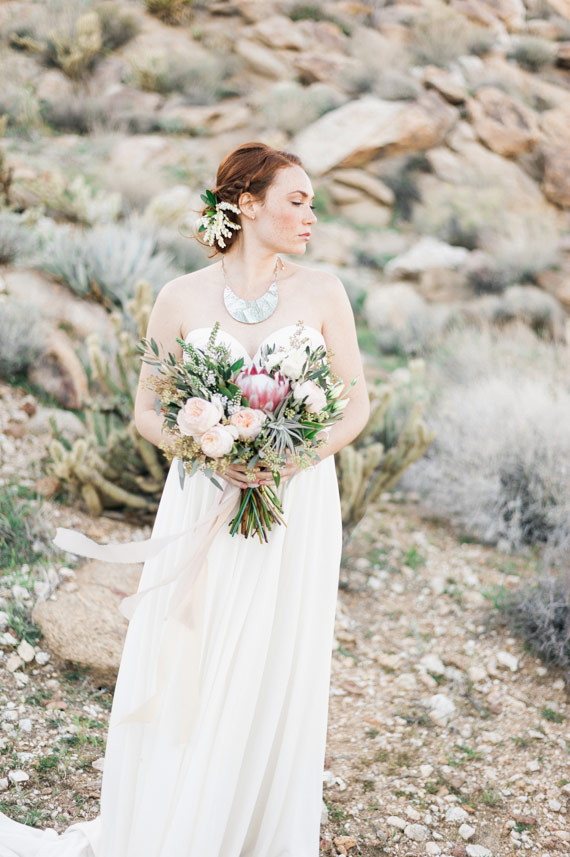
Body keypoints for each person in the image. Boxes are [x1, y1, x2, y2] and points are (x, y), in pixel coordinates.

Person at [0, 141, 370, 857]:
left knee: (273, 657)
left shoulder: (323, 290)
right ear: (248, 203)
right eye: (297, 200)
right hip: (207, 495)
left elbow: (354, 407)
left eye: (314, 204)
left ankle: (251, 828)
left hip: (297, 503)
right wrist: (209, 447)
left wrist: (292, 454)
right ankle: (183, 821)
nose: (310, 216)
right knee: (194, 654)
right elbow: (146, 409)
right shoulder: (180, 297)